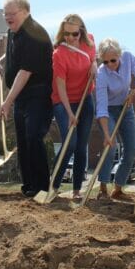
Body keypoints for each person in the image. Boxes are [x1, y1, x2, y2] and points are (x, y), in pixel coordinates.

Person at [0, 0, 53, 197]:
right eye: (5, 14)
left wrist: (7, 101)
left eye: (12, 14)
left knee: (33, 136)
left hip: (37, 92)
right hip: (21, 95)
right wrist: (1, 61)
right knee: (22, 140)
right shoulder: (13, 31)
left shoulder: (34, 33)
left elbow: (25, 72)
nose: (8, 18)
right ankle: (28, 185)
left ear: (26, 12)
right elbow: (14, 52)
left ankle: (42, 187)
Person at [50, 14, 96, 200]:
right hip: (63, 101)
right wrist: (69, 113)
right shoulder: (59, 54)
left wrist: (94, 65)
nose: (70, 38)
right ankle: (53, 185)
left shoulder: (90, 42)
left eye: (74, 34)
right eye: (66, 34)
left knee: (81, 146)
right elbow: (60, 86)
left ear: (81, 31)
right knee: (70, 142)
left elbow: (93, 58)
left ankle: (77, 190)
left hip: (85, 99)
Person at [95, 38, 135, 201]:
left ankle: (118, 188)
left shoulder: (129, 58)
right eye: (106, 61)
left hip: (126, 106)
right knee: (110, 147)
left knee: (131, 150)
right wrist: (106, 134)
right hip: (108, 111)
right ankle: (103, 187)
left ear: (119, 55)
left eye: (113, 60)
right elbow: (101, 106)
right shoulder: (101, 74)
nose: (110, 64)